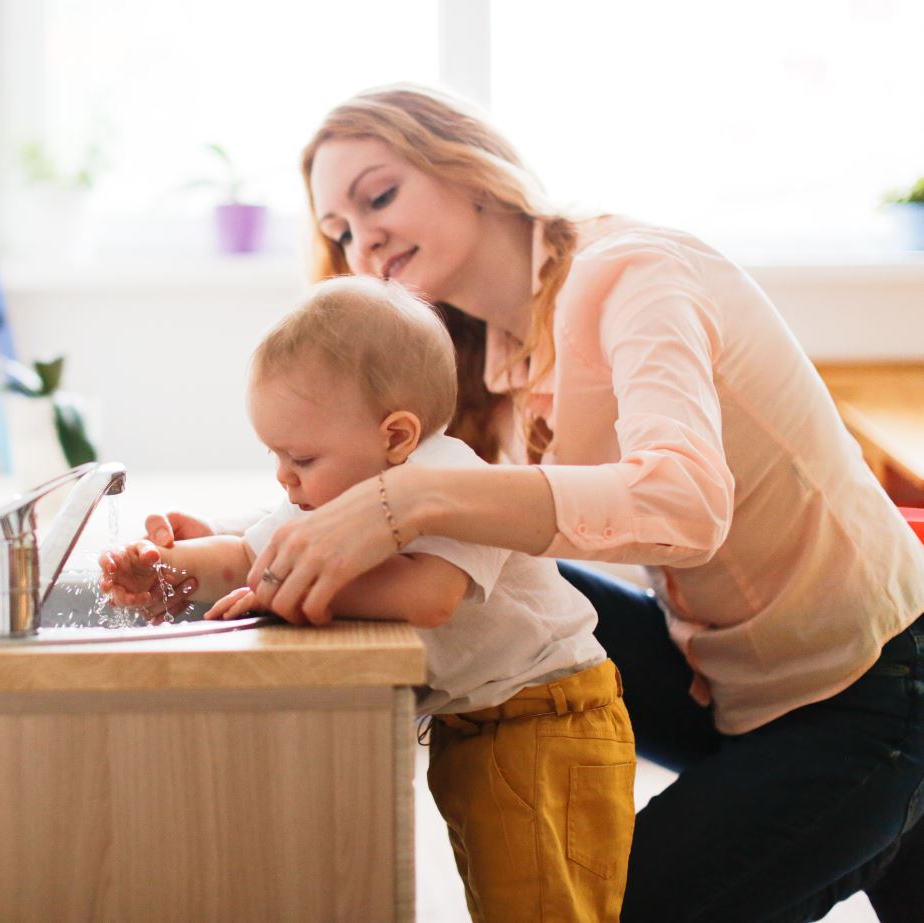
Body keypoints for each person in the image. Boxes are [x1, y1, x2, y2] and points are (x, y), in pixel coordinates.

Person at [143, 85, 924, 923]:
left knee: (620, 908)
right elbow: (443, 536)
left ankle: (888, 798)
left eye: (378, 196)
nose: (360, 239)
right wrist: (238, 544)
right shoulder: (490, 353)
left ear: (468, 167)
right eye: (338, 231)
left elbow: (688, 503)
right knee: (513, 593)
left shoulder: (634, 275)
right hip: (728, 679)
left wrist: (416, 497)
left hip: (866, 682)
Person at [104, 275, 637, 922]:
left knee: (543, 908)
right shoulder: (327, 493)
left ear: (395, 437)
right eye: (273, 454)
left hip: (549, 719)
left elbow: (430, 594)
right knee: (503, 898)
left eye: (299, 455)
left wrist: (284, 591)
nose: (283, 475)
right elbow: (251, 557)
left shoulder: (449, 477)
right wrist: (169, 572)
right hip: (474, 722)